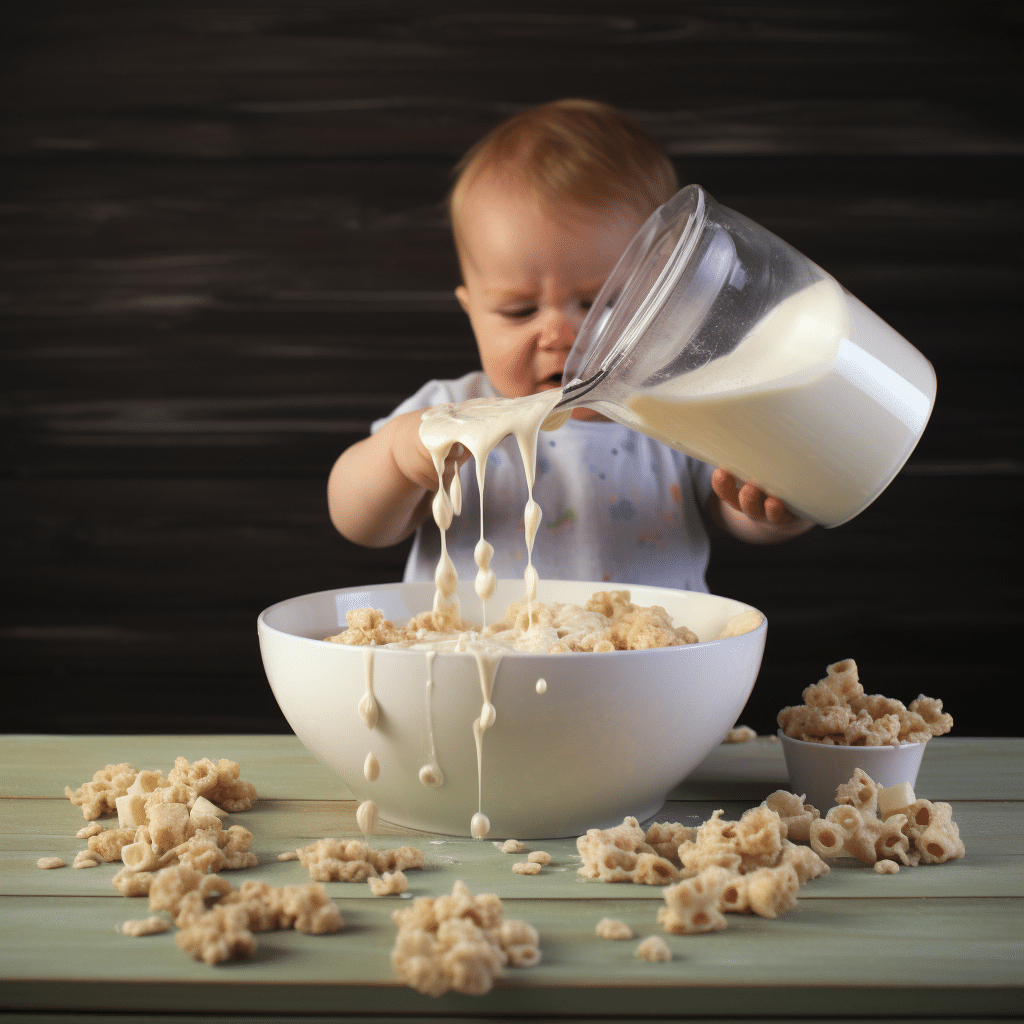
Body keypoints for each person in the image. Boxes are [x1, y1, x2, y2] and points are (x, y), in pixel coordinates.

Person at [328, 99, 813, 591]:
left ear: (667, 299)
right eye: (519, 311)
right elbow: (359, 523)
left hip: (643, 661)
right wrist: (397, 458)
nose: (562, 335)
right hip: (477, 660)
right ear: (469, 308)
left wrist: (774, 507)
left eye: (604, 305)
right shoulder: (450, 415)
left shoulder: (674, 412)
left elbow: (732, 509)